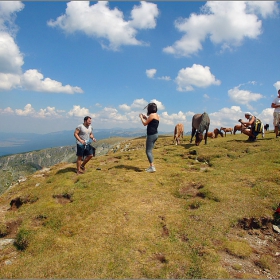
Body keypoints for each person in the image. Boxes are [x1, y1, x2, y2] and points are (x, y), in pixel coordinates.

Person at [139, 103, 160, 173]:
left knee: (148, 151)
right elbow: (151, 122)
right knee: (150, 151)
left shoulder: (151, 115)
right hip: (156, 134)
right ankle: (151, 166)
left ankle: (152, 167)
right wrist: (146, 118)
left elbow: (145, 124)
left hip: (151, 135)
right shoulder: (157, 115)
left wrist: (141, 117)